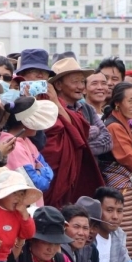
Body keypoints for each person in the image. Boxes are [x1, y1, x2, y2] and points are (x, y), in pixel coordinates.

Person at [42, 60, 105, 208]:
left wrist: (80, 145)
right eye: (75, 82)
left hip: (79, 174)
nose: (80, 86)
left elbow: (107, 141)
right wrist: (81, 140)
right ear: (58, 85)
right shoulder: (46, 108)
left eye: (82, 82)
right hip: (54, 176)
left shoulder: (86, 109)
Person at [98, 83, 132, 255]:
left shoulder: (123, 123)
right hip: (118, 187)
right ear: (117, 103)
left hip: (125, 185)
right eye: (130, 101)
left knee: (128, 238)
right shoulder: (115, 126)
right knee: (122, 237)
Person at [0, 97, 57, 207]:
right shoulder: (12, 146)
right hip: (23, 208)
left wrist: (40, 172)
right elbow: (35, 183)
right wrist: (41, 171)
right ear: (26, 123)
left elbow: (47, 167)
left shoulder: (27, 141)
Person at [81, 190, 130, 262]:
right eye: (109, 210)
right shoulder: (85, 238)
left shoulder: (119, 235)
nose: (115, 216)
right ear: (98, 211)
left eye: (119, 211)